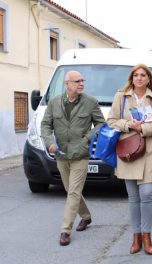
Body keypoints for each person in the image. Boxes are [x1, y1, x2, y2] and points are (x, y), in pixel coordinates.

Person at [107, 64, 152, 255]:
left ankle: (147, 235)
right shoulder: (121, 96)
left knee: (147, 194)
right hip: (128, 150)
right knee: (133, 197)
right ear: (132, 78)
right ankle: (136, 237)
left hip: (149, 150)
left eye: (143, 75)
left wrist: (143, 129)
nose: (139, 78)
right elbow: (111, 120)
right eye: (136, 75)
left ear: (149, 79)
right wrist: (129, 125)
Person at [41, 70, 105, 246]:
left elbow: (101, 123)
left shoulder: (90, 102)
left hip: (80, 155)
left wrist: (87, 138)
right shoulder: (54, 103)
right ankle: (86, 216)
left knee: (74, 191)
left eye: (83, 80)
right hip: (61, 154)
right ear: (67, 84)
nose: (81, 83)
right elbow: (46, 125)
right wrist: (48, 142)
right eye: (77, 81)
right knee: (71, 191)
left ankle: (65, 230)